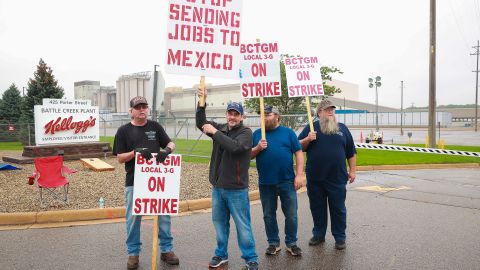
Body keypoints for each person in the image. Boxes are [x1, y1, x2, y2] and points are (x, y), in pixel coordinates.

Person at [195, 87, 259, 270]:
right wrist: (202, 102)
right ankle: (221, 254)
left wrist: (215, 133)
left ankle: (250, 258)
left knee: (243, 226)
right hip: (218, 188)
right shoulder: (221, 128)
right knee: (220, 224)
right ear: (226, 114)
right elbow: (201, 123)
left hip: (237, 189)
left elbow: (235, 147)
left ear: (242, 117)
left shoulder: (246, 132)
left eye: (236, 114)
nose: (232, 117)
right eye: (230, 113)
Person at [113, 96, 179, 270]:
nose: (142, 110)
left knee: (164, 216)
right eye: (138, 107)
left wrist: (167, 151)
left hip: (158, 181)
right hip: (134, 182)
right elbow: (119, 158)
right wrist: (135, 152)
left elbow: (171, 143)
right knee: (133, 219)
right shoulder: (123, 131)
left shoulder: (155, 127)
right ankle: (133, 253)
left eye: (144, 106)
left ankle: (166, 250)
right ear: (131, 111)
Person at [297, 99, 357, 250]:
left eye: (332, 109)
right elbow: (298, 147)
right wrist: (308, 139)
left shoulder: (342, 128)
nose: (331, 111)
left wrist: (353, 170)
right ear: (319, 113)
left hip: (337, 177)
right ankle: (319, 234)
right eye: (327, 109)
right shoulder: (311, 128)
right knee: (317, 208)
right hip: (315, 178)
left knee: (338, 208)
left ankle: (340, 237)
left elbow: (351, 152)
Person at [251, 105, 305, 256]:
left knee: (291, 214)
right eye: (262, 115)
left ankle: (291, 243)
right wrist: (257, 148)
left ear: (277, 117)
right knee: (268, 215)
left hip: (287, 181)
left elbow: (299, 153)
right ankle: (273, 243)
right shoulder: (256, 134)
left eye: (267, 114)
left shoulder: (288, 133)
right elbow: (248, 155)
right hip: (266, 182)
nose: (264, 117)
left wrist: (299, 174)